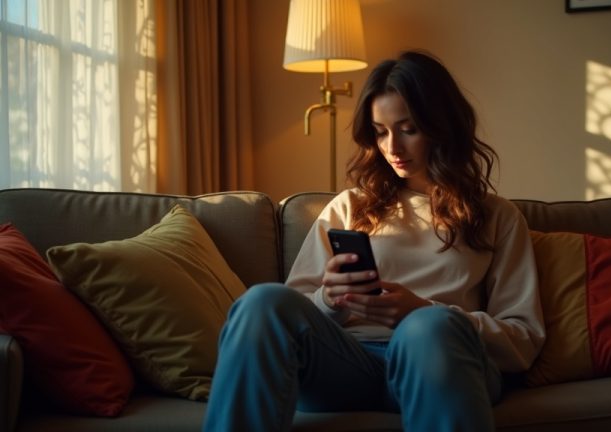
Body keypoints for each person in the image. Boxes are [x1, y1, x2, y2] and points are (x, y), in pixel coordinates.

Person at [203, 50, 545, 432]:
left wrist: (423, 310)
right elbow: (290, 315)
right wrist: (328, 300)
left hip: (441, 362)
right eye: (380, 132)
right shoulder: (350, 207)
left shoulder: (498, 216)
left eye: (408, 129)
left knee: (427, 328)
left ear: (442, 125)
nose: (392, 148)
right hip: (347, 365)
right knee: (262, 301)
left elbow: (524, 340)